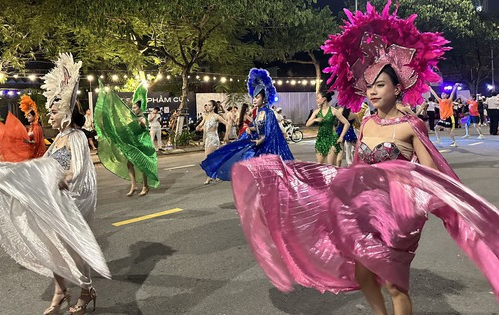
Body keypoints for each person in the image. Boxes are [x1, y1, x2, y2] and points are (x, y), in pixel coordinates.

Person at [230, 3, 499, 315]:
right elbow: (357, 168)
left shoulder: (412, 125)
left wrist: (428, 200)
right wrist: (324, 186)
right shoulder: (367, 123)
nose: (372, 92)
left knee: (394, 284)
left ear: (398, 88)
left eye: (380, 85)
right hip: (363, 210)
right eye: (369, 86)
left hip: (398, 214)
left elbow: (431, 174)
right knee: (362, 273)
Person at [0, 53, 111, 315]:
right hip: (52, 200)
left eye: (55, 111)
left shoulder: (75, 137)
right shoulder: (56, 140)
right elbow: (40, 166)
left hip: (69, 201)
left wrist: (61, 180)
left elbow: (77, 171)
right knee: (50, 245)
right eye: (50, 112)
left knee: (73, 246)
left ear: (68, 113)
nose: (50, 116)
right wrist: (10, 175)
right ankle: (61, 290)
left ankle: (86, 290)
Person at [200, 68, 294, 182]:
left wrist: (260, 140)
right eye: (253, 97)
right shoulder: (259, 112)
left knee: (269, 177)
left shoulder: (268, 113)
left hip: (268, 147)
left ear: (264, 99)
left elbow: (270, 131)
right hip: (258, 145)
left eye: (257, 97)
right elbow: (256, 126)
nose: (254, 100)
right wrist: (250, 128)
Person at [94, 83, 159, 196]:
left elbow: (144, 126)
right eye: (132, 107)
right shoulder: (132, 118)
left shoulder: (143, 118)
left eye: (135, 107)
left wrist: (138, 122)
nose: (133, 109)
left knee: (142, 165)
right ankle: (133, 185)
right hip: (134, 145)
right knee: (130, 164)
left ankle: (145, 186)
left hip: (143, 145)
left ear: (140, 108)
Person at [0, 95, 47, 162]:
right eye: (27, 115)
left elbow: (36, 143)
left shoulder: (37, 128)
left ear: (35, 116)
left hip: (34, 155)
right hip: (30, 153)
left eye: (29, 115)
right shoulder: (31, 127)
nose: (27, 117)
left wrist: (26, 141)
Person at [306, 91, 351, 165]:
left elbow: (347, 124)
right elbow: (307, 124)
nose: (316, 100)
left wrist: (341, 137)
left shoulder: (333, 111)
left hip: (332, 138)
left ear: (324, 99)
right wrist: (315, 119)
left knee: (331, 166)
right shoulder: (316, 112)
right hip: (320, 139)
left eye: (318, 98)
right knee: (320, 164)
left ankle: (334, 176)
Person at [196, 100, 229, 184]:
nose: (207, 107)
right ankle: (217, 174)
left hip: (213, 139)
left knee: (207, 159)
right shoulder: (206, 117)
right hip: (207, 139)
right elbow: (201, 126)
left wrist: (226, 135)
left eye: (209, 105)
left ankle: (209, 176)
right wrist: (198, 127)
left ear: (214, 107)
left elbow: (227, 124)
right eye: (207, 105)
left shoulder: (216, 116)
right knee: (214, 158)